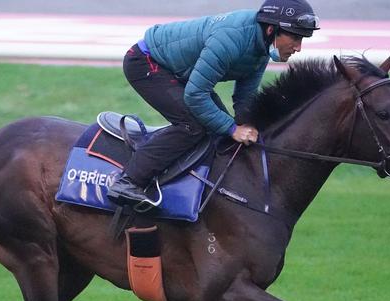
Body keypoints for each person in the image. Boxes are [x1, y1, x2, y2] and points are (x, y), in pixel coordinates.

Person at [107, 0, 320, 205]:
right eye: (295, 38)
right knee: (194, 125)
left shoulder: (261, 46)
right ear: (271, 30)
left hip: (179, 71)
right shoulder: (230, 39)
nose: (298, 48)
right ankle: (128, 181)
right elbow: (195, 95)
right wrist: (232, 128)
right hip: (146, 62)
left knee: (219, 130)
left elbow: (244, 98)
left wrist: (249, 125)